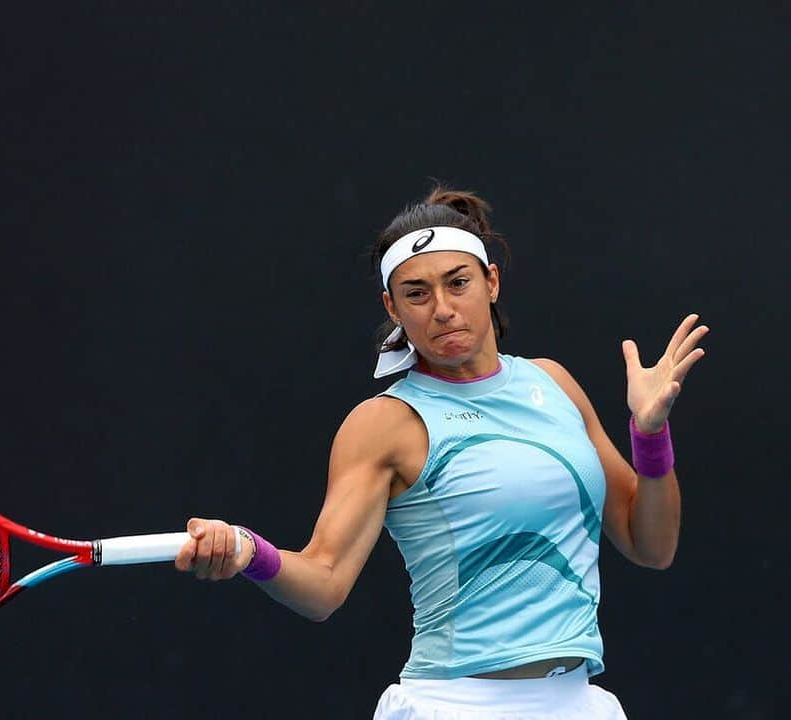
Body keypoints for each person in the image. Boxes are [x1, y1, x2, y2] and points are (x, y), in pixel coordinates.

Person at [175, 185, 707, 719]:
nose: (443, 310)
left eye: (459, 284)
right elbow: (323, 583)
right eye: (417, 293)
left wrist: (649, 433)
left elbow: (651, 544)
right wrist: (248, 552)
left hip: (576, 702)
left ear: (491, 282)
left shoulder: (555, 384)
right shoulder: (385, 423)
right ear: (392, 305)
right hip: (454, 704)